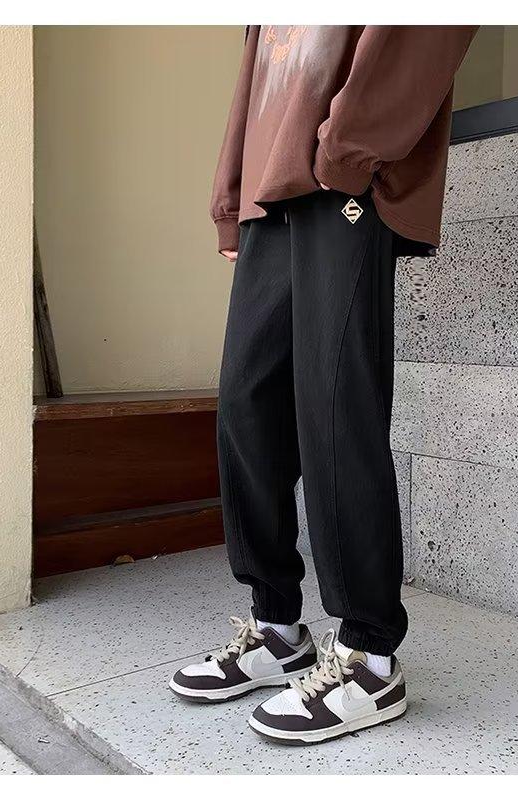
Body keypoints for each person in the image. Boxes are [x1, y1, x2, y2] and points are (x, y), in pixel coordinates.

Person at [170, 24, 476, 745]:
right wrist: (233, 196)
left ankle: (370, 657)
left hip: (344, 178)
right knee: (246, 403)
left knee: (336, 409)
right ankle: (278, 629)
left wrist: (348, 146)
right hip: (272, 189)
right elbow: (258, 70)